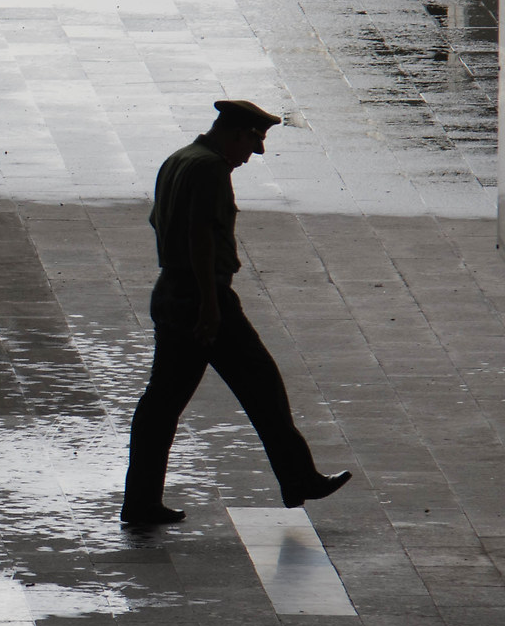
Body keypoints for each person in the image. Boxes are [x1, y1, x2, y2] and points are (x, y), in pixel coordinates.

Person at [120, 99, 352, 526]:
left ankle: (140, 501)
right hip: (202, 297)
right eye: (256, 140)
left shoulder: (179, 159)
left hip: (172, 291)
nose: (256, 153)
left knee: (162, 403)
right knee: (261, 386)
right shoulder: (209, 168)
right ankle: (299, 479)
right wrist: (210, 306)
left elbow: (160, 222)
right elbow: (200, 238)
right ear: (237, 133)